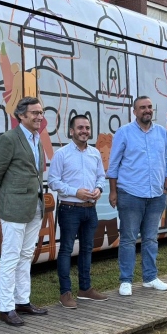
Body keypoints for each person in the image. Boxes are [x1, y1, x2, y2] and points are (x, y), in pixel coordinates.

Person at [0, 97, 49, 326]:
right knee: (11, 258)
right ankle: (6, 308)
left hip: (34, 207)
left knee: (25, 256)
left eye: (41, 113)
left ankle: (22, 301)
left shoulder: (37, 140)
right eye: (35, 113)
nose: (39, 117)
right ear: (21, 115)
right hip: (12, 208)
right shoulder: (9, 139)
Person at [107, 96, 167, 296]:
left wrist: (166, 187)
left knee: (151, 238)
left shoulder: (161, 132)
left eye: (149, 107)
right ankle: (125, 280)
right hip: (130, 193)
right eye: (142, 107)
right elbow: (113, 164)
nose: (147, 110)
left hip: (156, 195)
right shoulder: (124, 133)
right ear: (134, 111)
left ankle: (150, 278)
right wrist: (113, 191)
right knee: (127, 239)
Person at [48, 114, 109, 309]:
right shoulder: (62, 154)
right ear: (71, 131)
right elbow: (53, 181)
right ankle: (65, 293)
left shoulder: (95, 153)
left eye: (87, 128)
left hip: (90, 210)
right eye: (80, 128)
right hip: (69, 209)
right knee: (66, 250)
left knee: (86, 249)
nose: (84, 131)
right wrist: (76, 192)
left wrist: (99, 188)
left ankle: (85, 289)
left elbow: (101, 176)